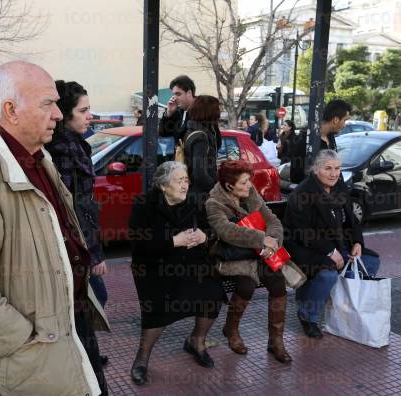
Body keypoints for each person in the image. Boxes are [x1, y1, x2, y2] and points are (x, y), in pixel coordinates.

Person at [0, 61, 109, 396]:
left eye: (57, 103)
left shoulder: (39, 159)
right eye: (47, 104)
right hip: (37, 354)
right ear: (10, 110)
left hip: (69, 327)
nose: (58, 114)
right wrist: (22, 340)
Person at [128, 161, 225, 385]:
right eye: (179, 181)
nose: (185, 185)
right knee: (159, 306)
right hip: (154, 266)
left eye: (186, 180)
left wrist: (204, 236)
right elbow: (139, 244)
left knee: (212, 293)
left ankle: (196, 342)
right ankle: (142, 359)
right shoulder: (144, 205)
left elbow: (209, 229)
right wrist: (174, 241)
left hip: (190, 262)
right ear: (163, 186)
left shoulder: (194, 201)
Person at [282, 150, 380, 339]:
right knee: (328, 273)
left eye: (337, 168)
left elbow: (351, 219)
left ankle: (338, 304)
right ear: (316, 169)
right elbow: (303, 232)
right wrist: (329, 251)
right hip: (305, 248)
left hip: (338, 245)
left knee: (371, 262)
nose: (334, 173)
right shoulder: (303, 193)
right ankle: (307, 314)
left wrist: (357, 242)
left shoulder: (339, 187)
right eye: (328, 168)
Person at [206, 160, 292, 363]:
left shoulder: (250, 192)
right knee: (247, 284)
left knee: (278, 281)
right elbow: (227, 232)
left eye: (249, 181)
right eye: (244, 183)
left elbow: (272, 220)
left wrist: (273, 243)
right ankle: (231, 330)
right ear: (229, 186)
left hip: (259, 253)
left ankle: (276, 341)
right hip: (232, 257)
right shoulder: (214, 203)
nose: (249, 185)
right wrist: (262, 239)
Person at [45, 80, 108, 309]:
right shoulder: (63, 149)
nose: (90, 116)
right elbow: (72, 207)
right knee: (94, 301)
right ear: (64, 114)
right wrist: (94, 252)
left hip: (75, 244)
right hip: (75, 247)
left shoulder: (72, 144)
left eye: (89, 109)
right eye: (83, 110)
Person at [290, 100, 351, 183]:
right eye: (344, 120)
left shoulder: (330, 137)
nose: (344, 125)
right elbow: (295, 176)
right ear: (335, 120)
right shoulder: (305, 140)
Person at [183, 95, 223, 197]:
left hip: (198, 192)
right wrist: (216, 189)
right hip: (202, 195)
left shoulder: (195, 130)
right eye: (217, 109)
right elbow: (199, 174)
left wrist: (214, 124)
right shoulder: (201, 137)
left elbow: (217, 144)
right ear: (210, 111)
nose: (219, 113)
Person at [159, 75, 196, 144]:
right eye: (174, 94)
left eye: (178, 94)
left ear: (189, 93)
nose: (174, 98)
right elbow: (163, 133)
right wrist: (169, 114)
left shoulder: (203, 112)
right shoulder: (178, 111)